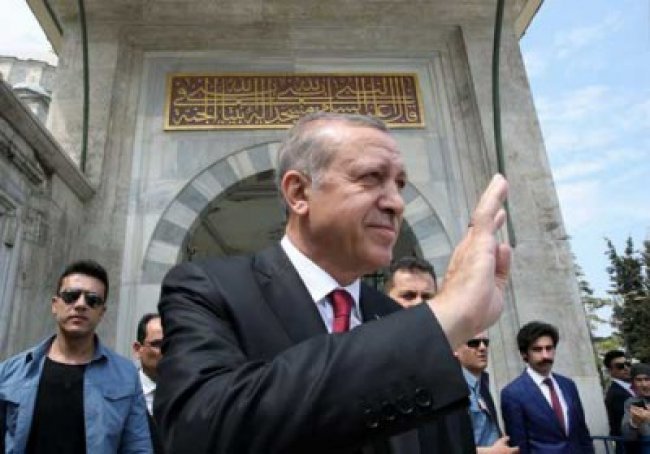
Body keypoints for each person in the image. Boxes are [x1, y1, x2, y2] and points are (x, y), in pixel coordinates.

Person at [155, 112, 512, 453]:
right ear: (299, 193)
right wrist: (447, 313)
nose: (396, 203)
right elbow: (202, 432)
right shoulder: (209, 289)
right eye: (371, 177)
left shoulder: (399, 321)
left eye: (399, 184)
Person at [0, 260, 152, 453]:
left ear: (101, 312)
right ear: (55, 304)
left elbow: (138, 448)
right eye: (71, 296)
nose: (80, 305)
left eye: (92, 300)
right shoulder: (11, 372)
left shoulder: (125, 376)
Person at [386, 256, 476, 453]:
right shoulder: (372, 365)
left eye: (427, 297)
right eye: (408, 296)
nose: (419, 304)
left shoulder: (449, 366)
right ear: (386, 300)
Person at [500, 321, 594, 454]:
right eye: (537, 349)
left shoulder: (568, 385)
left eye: (549, 348)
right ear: (524, 354)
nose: (545, 355)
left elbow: (582, 433)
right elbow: (519, 446)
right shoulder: (512, 394)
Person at [456, 332, 518, 453]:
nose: (482, 347)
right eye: (473, 343)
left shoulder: (482, 382)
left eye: (485, 342)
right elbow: (449, 447)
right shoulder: (451, 389)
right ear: (455, 350)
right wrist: (491, 451)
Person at [133, 313, 165, 453]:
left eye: (171, 344)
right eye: (158, 344)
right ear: (137, 349)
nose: (166, 351)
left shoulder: (189, 395)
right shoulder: (122, 393)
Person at [603, 350, 635, 453]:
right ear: (610, 371)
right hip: (630, 448)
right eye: (620, 366)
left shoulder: (633, 387)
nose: (626, 368)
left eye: (627, 364)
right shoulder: (616, 394)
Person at [621, 363, 650, 450]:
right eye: (639, 380)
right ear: (633, 383)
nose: (644, 384)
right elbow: (628, 437)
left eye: (647, 379)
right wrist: (634, 423)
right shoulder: (632, 403)